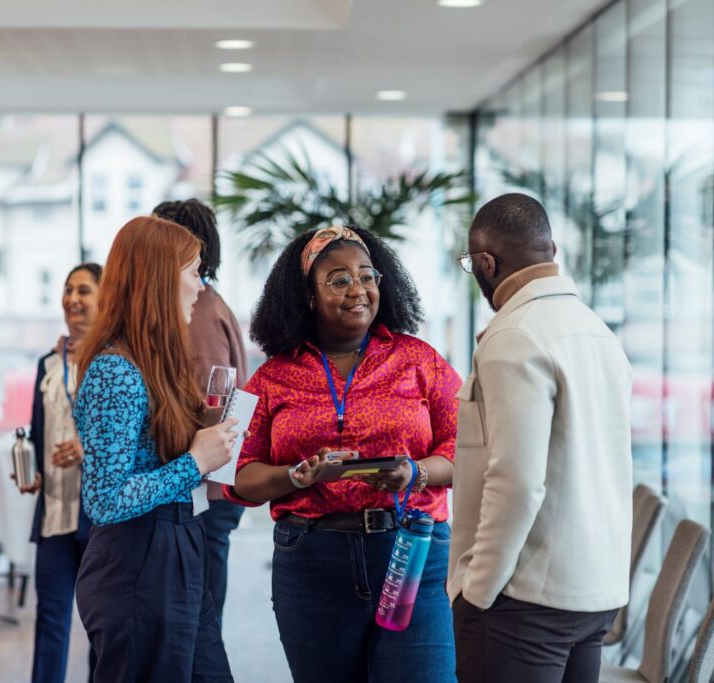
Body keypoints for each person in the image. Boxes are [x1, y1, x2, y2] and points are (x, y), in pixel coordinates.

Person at [224, 226, 461, 683]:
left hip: (411, 550)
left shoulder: (419, 359)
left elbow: (468, 447)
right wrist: (297, 476)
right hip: (312, 560)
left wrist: (416, 472)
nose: (358, 289)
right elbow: (237, 473)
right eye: (338, 279)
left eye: (366, 276)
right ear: (308, 295)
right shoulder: (272, 377)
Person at [449, 193, 632, 682]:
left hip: (524, 599)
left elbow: (515, 481)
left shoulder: (515, 335)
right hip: (593, 592)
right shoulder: (597, 331)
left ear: (486, 263)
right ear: (550, 250)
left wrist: (477, 589)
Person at [73, 215, 238, 683]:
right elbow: (105, 499)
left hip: (175, 551)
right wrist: (194, 463)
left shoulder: (153, 365)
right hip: (137, 564)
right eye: (193, 273)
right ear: (160, 281)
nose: (201, 288)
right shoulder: (115, 372)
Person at [152, 198, 247, 627]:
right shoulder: (204, 305)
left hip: (202, 489)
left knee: (196, 626)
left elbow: (208, 407)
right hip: (201, 484)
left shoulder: (198, 313)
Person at [19, 262, 102, 683]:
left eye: (84, 290)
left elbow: (130, 434)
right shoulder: (47, 364)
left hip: (97, 512)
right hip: (53, 508)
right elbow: (38, 430)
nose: (73, 299)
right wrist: (32, 468)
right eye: (68, 289)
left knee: (99, 626)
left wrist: (87, 450)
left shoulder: (114, 364)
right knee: (49, 618)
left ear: (104, 299)